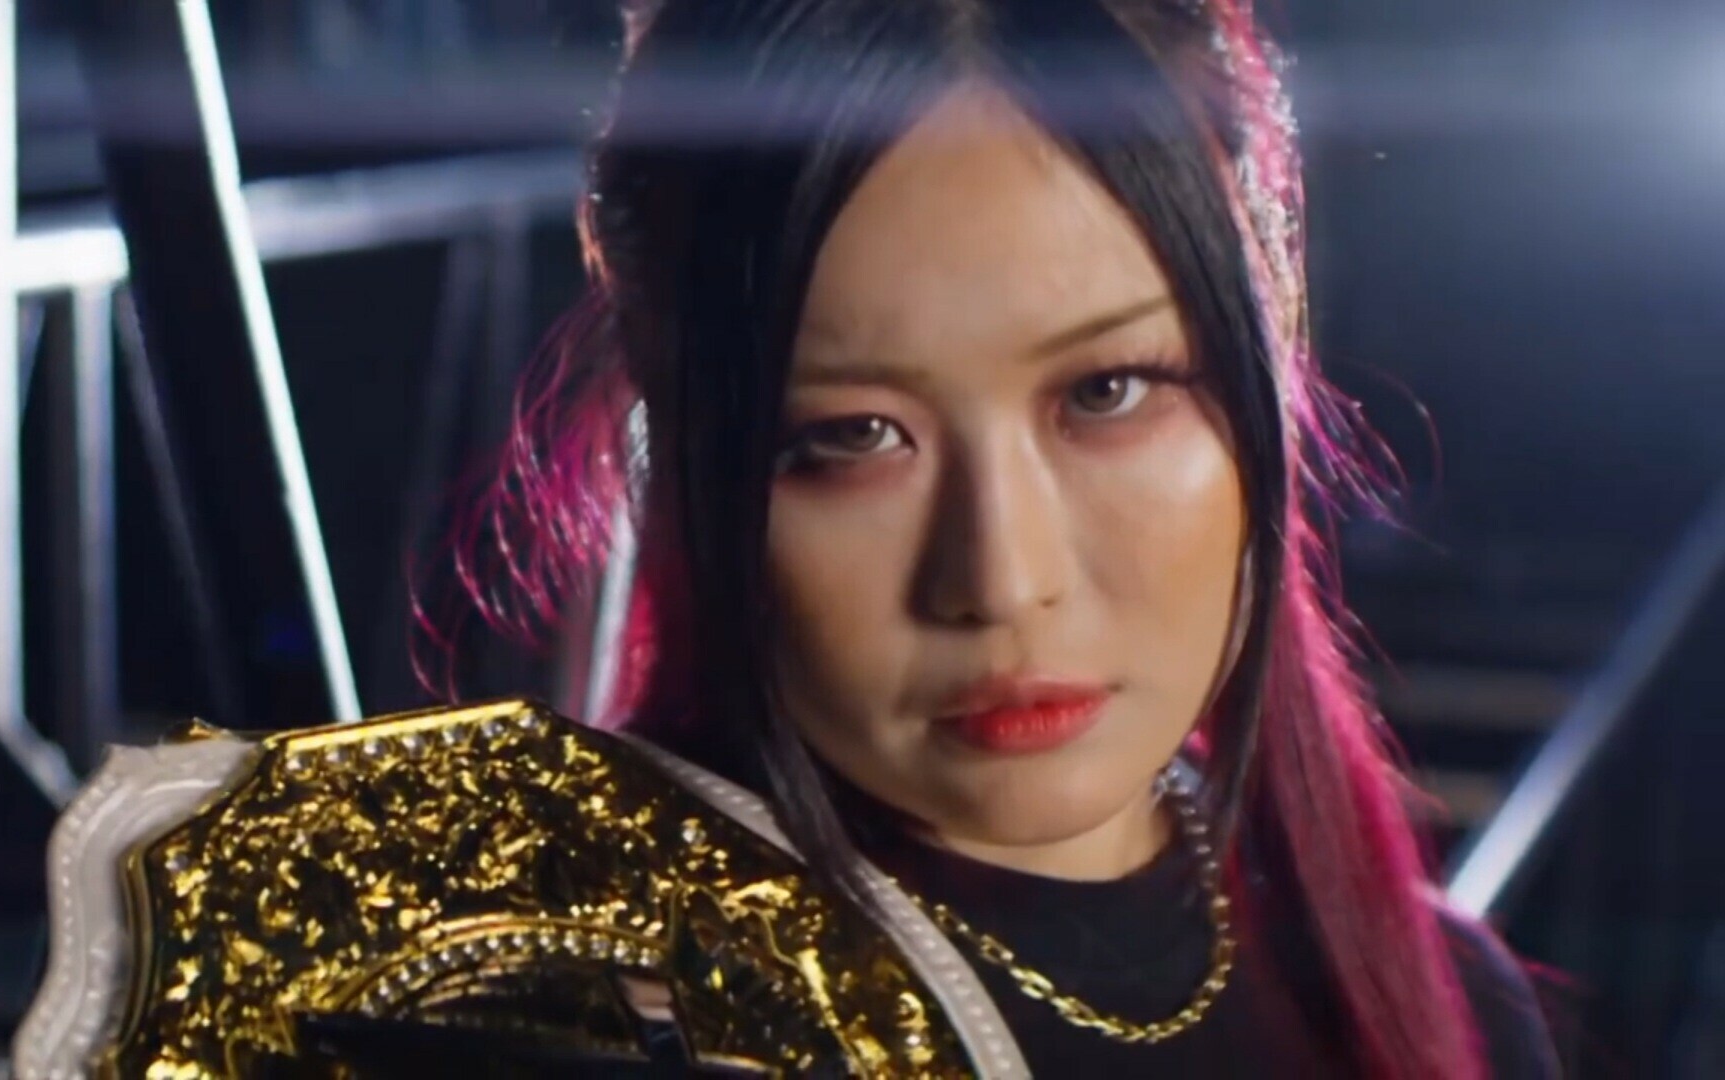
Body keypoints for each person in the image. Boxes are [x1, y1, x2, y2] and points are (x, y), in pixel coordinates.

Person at [425, 0, 1569, 1076]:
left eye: (1109, 391)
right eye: (854, 435)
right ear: (680, 439)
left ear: (1266, 349)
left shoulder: (1451, 1003)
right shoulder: (577, 1021)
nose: (1004, 580)